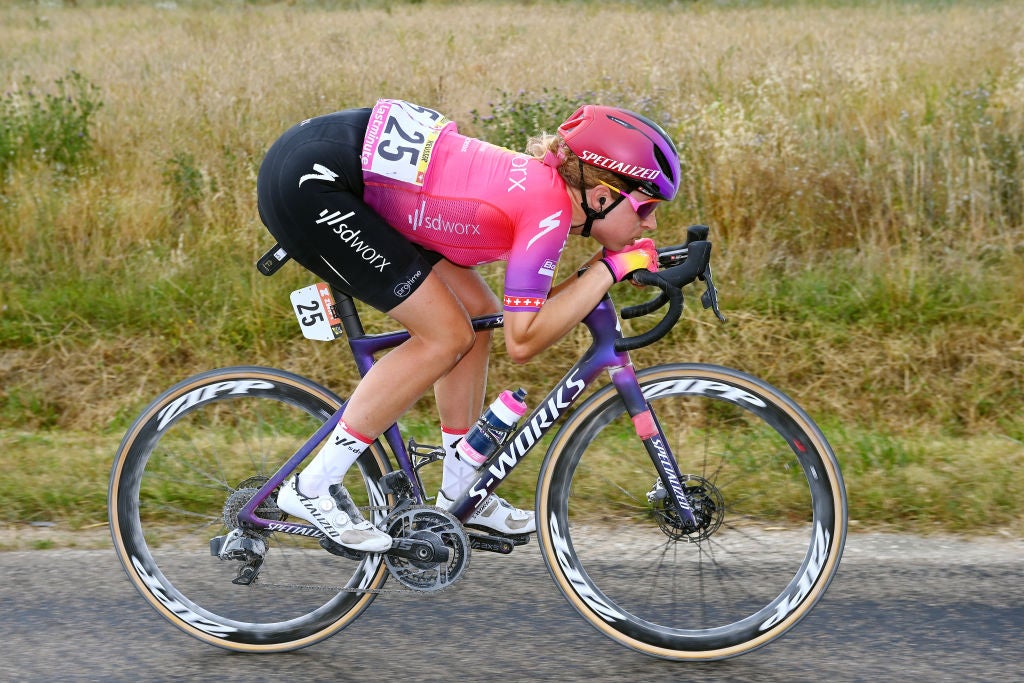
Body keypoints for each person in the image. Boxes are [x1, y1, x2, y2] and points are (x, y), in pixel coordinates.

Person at [257, 99, 681, 552]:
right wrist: (609, 270)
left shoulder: (548, 195)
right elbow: (523, 340)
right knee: (445, 336)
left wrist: (603, 269)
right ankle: (313, 485)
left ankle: (460, 486)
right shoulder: (548, 211)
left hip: (348, 166)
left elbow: (521, 319)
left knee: (477, 318)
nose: (651, 222)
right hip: (315, 184)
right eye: (645, 206)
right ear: (600, 196)